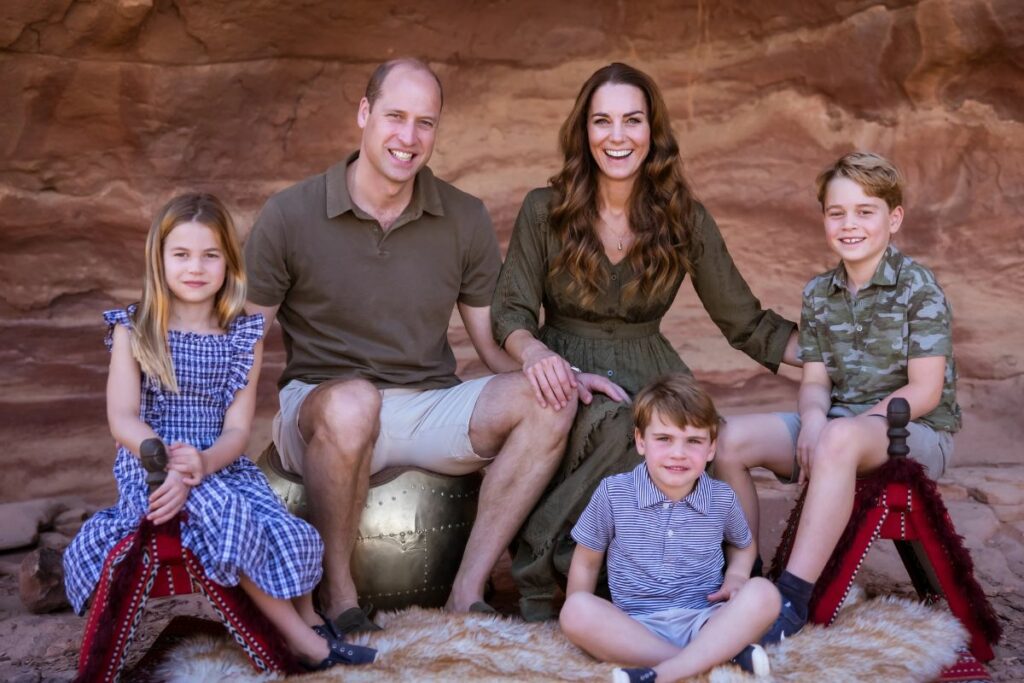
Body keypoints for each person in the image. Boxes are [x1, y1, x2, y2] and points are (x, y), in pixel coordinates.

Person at [244, 58, 616, 633]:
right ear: (364, 114)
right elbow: (242, 345)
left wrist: (551, 367)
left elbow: (493, 344)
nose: (409, 137)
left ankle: (466, 594)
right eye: (395, 116)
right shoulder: (289, 214)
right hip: (321, 410)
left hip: (423, 405)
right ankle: (339, 601)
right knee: (354, 402)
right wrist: (216, 441)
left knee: (551, 401)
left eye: (426, 123)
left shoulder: (461, 217)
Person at [491, 61, 800, 621]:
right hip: (567, 371)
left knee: (686, 437)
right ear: (584, 132)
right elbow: (510, 311)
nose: (617, 136)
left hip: (653, 366)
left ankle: (700, 589)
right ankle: (540, 570)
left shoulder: (683, 219)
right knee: (625, 426)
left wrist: (836, 359)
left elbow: (745, 321)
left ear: (652, 132)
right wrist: (536, 354)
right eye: (602, 121)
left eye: (632, 121)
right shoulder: (544, 210)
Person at [63, 193, 374, 670]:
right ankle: (305, 645)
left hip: (220, 464)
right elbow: (122, 417)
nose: (196, 267)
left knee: (286, 525)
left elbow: (236, 429)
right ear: (159, 259)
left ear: (229, 262)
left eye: (211, 255)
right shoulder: (135, 330)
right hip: (150, 467)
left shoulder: (242, 335)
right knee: (221, 510)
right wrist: (162, 458)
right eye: (181, 254)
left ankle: (310, 619)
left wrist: (205, 462)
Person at [713, 152, 961, 643]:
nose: (850, 225)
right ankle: (746, 573)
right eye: (836, 212)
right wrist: (811, 422)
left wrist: (837, 432)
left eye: (865, 212)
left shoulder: (919, 289)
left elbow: (925, 391)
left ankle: (792, 598)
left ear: (894, 218)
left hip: (911, 433)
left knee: (840, 438)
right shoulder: (819, 294)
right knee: (728, 440)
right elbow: (816, 381)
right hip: (838, 427)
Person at [560, 374, 780, 682]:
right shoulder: (614, 493)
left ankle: (660, 675)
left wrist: (737, 576)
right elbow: (586, 560)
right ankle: (709, 662)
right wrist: (584, 624)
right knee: (575, 611)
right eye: (664, 439)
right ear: (640, 441)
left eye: (693, 441)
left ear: (711, 448)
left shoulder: (721, 498)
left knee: (765, 594)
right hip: (635, 626)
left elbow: (742, 545)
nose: (678, 453)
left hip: (705, 621)